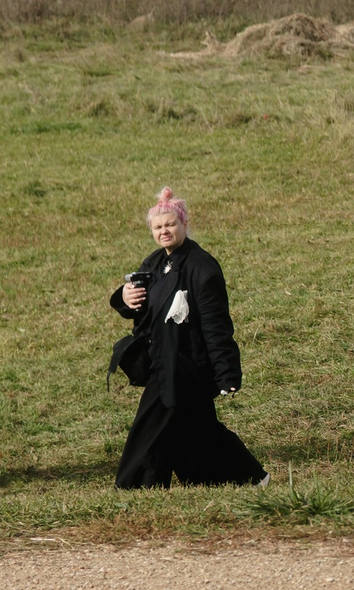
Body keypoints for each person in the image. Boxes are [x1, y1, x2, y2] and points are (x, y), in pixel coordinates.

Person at [111, 188, 266, 489]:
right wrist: (124, 297)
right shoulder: (154, 263)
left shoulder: (202, 268)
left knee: (150, 426)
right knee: (196, 430)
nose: (164, 231)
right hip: (163, 361)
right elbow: (138, 312)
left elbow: (216, 326)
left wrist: (226, 374)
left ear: (184, 224)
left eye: (169, 224)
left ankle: (135, 487)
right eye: (158, 227)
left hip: (187, 366)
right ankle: (247, 479)